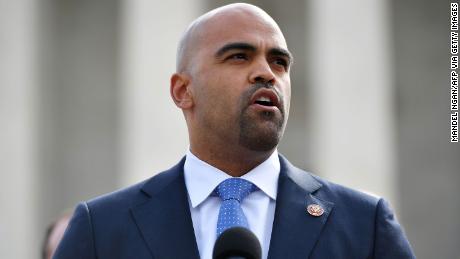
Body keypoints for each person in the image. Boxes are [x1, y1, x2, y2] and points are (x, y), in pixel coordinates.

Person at [54, 3, 415, 259]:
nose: (266, 73)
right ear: (183, 91)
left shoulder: (364, 226)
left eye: (279, 62)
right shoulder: (101, 231)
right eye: (239, 56)